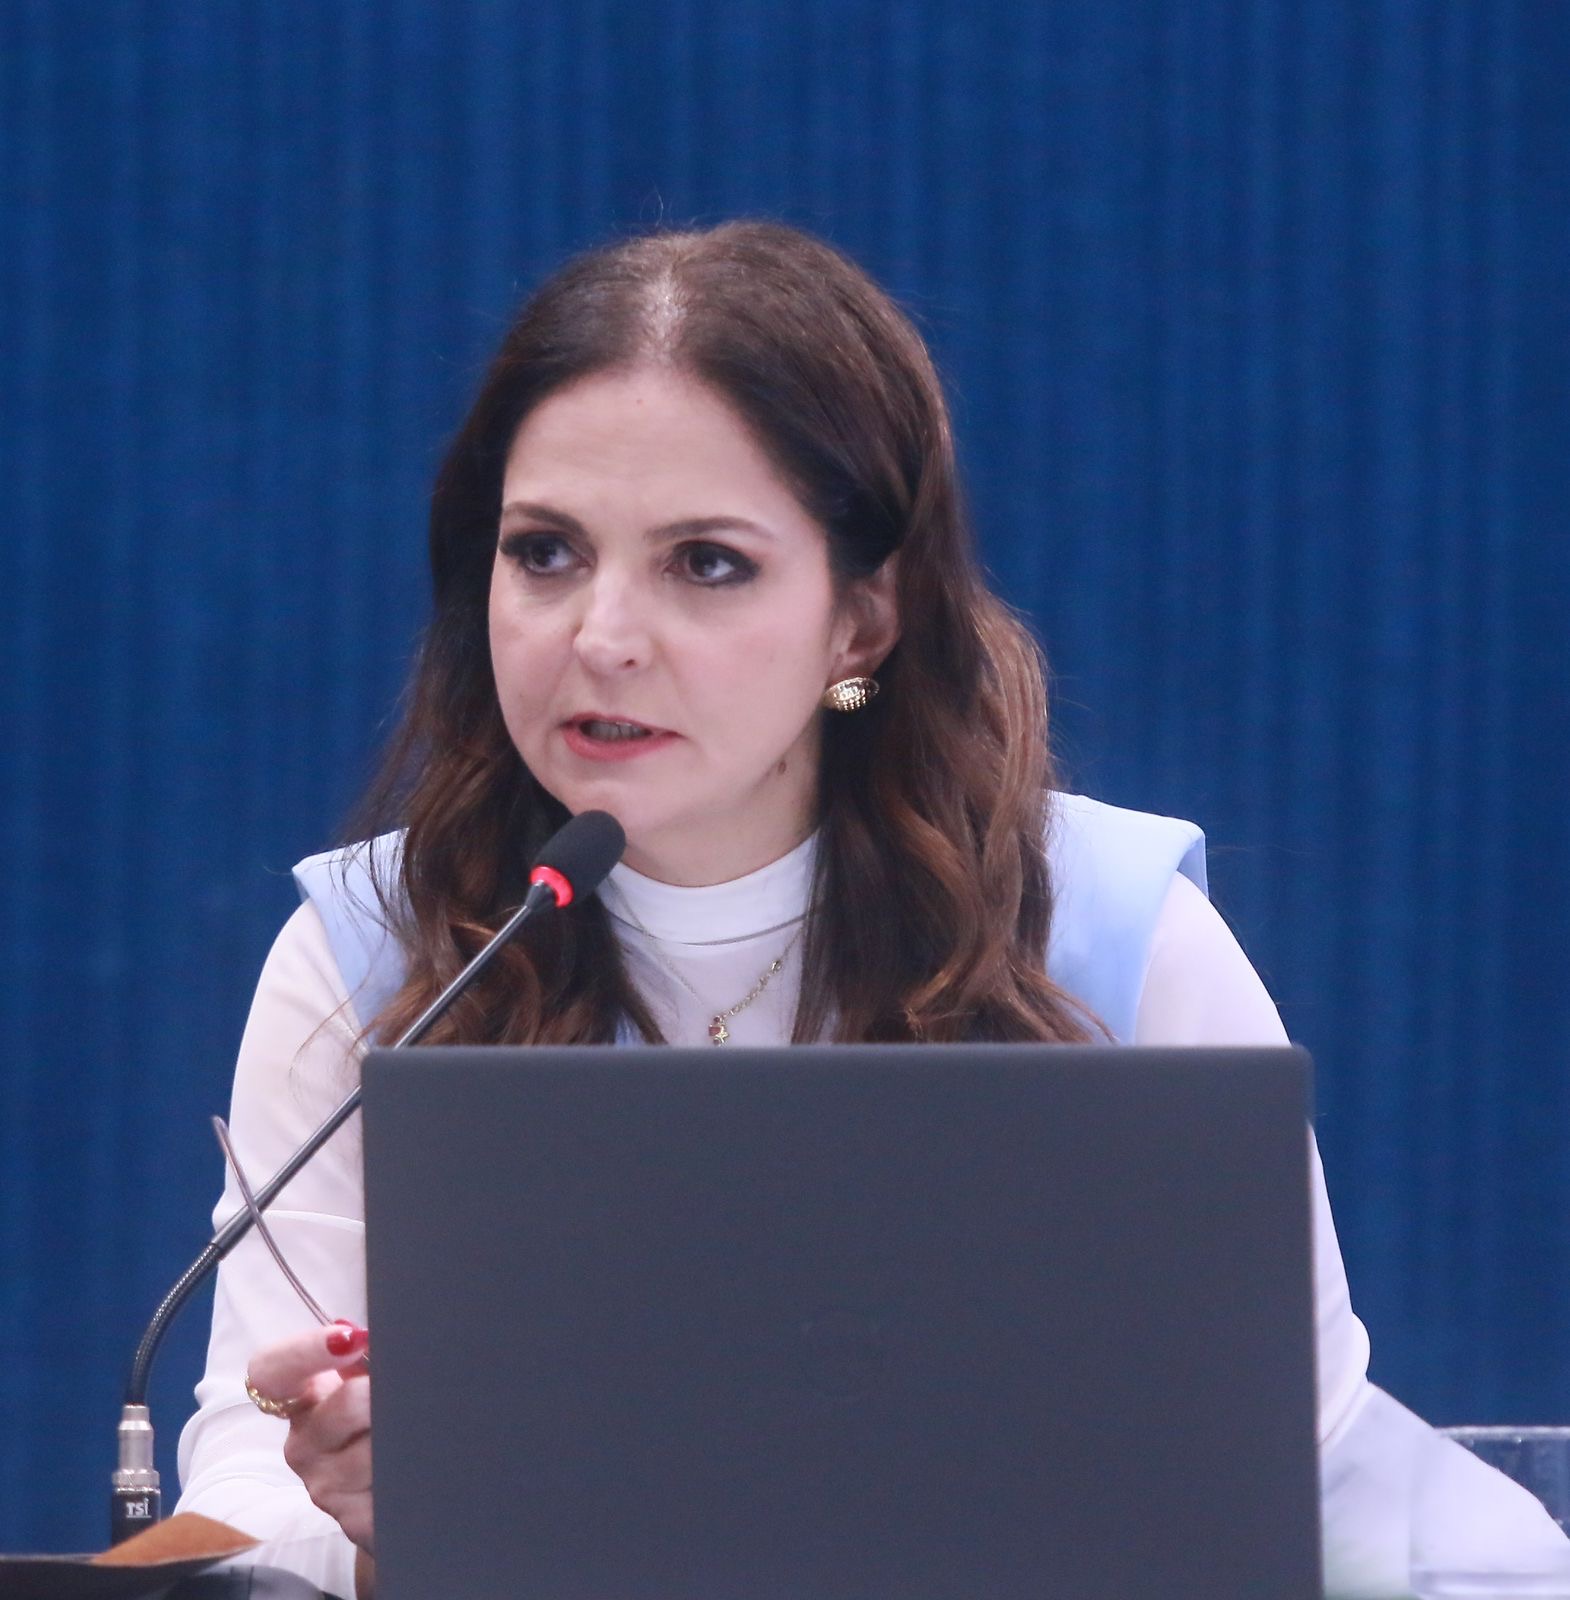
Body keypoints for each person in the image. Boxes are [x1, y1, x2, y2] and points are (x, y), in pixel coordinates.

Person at [175, 221, 1566, 1598]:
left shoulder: (1103, 933)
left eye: (705, 562)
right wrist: (373, 1534)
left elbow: (1325, 1490)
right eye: (544, 552)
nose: (600, 636)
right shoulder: (381, 951)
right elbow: (233, 1507)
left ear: (863, 620)